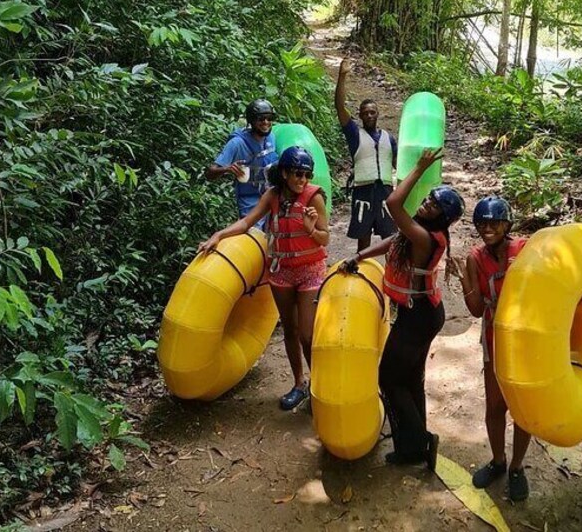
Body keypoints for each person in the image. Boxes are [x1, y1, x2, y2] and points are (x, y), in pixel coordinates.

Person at [447, 196, 582, 501]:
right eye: (482, 224)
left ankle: (516, 466)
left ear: (506, 224)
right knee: (495, 406)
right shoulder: (475, 258)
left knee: (525, 409)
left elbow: (554, 290)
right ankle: (497, 461)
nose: (488, 229)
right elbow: (473, 309)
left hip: (528, 341)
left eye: (495, 223)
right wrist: (464, 278)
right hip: (494, 339)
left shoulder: (523, 250)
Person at [341, 148, 464, 472]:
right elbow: (393, 242)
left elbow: (393, 204)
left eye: (434, 205)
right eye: (429, 200)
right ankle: (413, 447)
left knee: (389, 378)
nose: (426, 205)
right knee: (410, 379)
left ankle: (419, 441)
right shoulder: (416, 232)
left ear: (442, 217)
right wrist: (360, 256)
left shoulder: (424, 236)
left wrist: (420, 169)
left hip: (418, 317)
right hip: (421, 313)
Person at [199, 147, 329, 410]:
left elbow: (325, 237)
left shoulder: (314, 197)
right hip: (282, 270)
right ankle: (299, 384)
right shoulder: (273, 196)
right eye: (297, 174)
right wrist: (219, 236)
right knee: (289, 330)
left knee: (306, 333)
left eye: (306, 174)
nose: (302, 179)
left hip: (309, 270)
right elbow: (248, 222)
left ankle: (320, 386)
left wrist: (310, 229)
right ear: (284, 173)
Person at [335, 58, 398, 252]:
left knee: (391, 239)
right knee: (363, 237)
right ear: (360, 116)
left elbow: (399, 166)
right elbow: (339, 107)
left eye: (372, 112)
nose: (369, 115)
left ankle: (392, 274)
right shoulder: (355, 135)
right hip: (363, 191)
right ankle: (361, 272)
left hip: (385, 192)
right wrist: (342, 75)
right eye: (365, 113)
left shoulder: (389, 139)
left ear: (377, 114)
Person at [205, 99, 279, 225]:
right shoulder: (237, 143)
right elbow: (210, 173)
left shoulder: (271, 137)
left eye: (269, 118)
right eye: (261, 119)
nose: (266, 122)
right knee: (254, 233)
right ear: (252, 120)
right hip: (250, 200)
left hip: (272, 194)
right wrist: (227, 169)